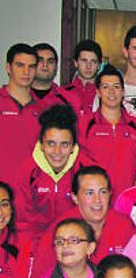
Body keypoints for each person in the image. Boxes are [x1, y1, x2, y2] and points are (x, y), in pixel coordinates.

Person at [33, 166, 136, 278]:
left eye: (102, 192)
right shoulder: (60, 229)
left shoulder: (124, 225)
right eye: (89, 193)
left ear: (110, 194)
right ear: (75, 197)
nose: (97, 200)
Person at [14, 104, 91, 242]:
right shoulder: (27, 170)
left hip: (75, 241)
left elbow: (92, 216)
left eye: (64, 144)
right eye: (51, 144)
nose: (57, 152)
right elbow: (23, 222)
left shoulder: (85, 169)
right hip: (36, 241)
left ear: (73, 146)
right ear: (42, 144)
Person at [78, 66, 136, 196]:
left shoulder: (135, 125)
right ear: (98, 92)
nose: (111, 92)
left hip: (127, 198)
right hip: (95, 198)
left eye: (116, 87)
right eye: (105, 87)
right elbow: (78, 163)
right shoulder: (85, 124)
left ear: (123, 91)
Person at [0, 44, 41, 185]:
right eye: (20, 65)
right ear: (8, 68)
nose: (26, 72)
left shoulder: (44, 110)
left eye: (31, 67)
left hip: (31, 191)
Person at [67, 39, 102, 109]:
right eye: (84, 61)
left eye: (93, 61)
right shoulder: (63, 94)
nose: (88, 66)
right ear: (76, 63)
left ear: (99, 65)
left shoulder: (105, 94)